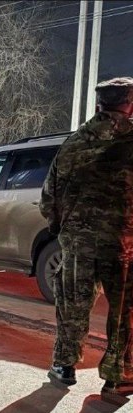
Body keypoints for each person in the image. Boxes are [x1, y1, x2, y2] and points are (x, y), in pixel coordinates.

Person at [41, 77, 133, 395]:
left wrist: (60, 228)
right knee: (123, 310)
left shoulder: (73, 143)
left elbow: (49, 197)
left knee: (72, 306)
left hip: (78, 243)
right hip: (123, 244)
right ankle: (119, 374)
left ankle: (64, 365)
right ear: (130, 104)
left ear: (99, 104)